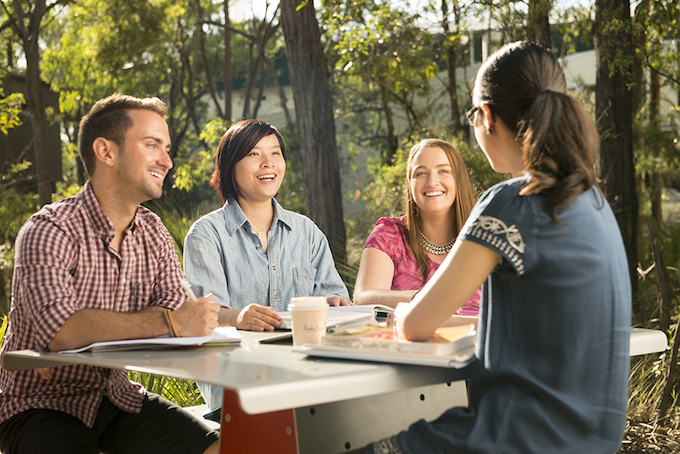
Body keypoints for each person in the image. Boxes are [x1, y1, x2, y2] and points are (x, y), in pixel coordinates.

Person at [352, 41, 632, 454]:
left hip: (515, 437)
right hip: (591, 441)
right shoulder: (594, 201)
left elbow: (414, 327)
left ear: (485, 116)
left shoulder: (509, 202)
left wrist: (411, 304)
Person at [0, 94, 221, 454]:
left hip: (116, 398)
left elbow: (178, 313)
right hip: (38, 404)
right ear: (106, 151)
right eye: (152, 145)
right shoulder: (48, 230)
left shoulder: (153, 232)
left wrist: (101, 323)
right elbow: (63, 331)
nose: (167, 160)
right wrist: (166, 322)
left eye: (166, 147)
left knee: (221, 448)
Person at [183, 118, 351, 417]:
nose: (268, 163)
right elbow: (202, 319)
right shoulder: (206, 235)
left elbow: (334, 300)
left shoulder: (307, 232)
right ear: (230, 166)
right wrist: (237, 317)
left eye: (275, 153)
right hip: (238, 391)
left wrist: (336, 305)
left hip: (307, 382)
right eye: (254, 154)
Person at [353, 138, 481, 320]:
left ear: (458, 179)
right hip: (408, 344)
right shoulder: (388, 234)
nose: (432, 181)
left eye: (443, 170)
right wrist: (419, 298)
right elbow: (363, 298)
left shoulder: (485, 237)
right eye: (420, 173)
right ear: (410, 183)